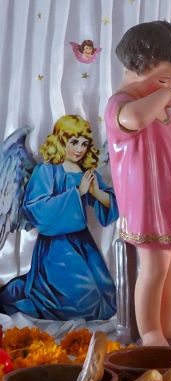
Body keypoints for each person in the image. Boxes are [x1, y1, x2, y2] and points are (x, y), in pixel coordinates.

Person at [105, 21, 171, 346]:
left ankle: (166, 324)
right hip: (145, 202)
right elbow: (134, 119)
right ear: (134, 68)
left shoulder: (161, 110)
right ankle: (150, 331)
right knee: (155, 266)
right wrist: (164, 95)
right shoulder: (122, 105)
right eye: (162, 79)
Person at [0, 115, 118, 320]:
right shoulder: (46, 170)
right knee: (84, 299)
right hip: (56, 248)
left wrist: (97, 193)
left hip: (83, 244)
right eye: (74, 142)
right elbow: (36, 209)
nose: (79, 149)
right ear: (61, 140)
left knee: (105, 298)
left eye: (84, 143)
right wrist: (77, 193)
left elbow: (111, 204)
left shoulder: (85, 171)